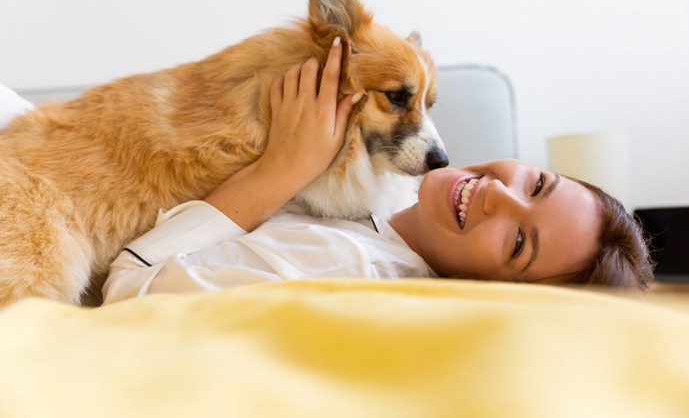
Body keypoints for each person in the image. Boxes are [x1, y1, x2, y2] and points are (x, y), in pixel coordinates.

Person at [102, 37, 654, 304]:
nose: (498, 195)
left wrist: (279, 172)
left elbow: (131, 287)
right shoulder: (382, 195)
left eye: (516, 243)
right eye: (536, 183)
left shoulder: (352, 266)